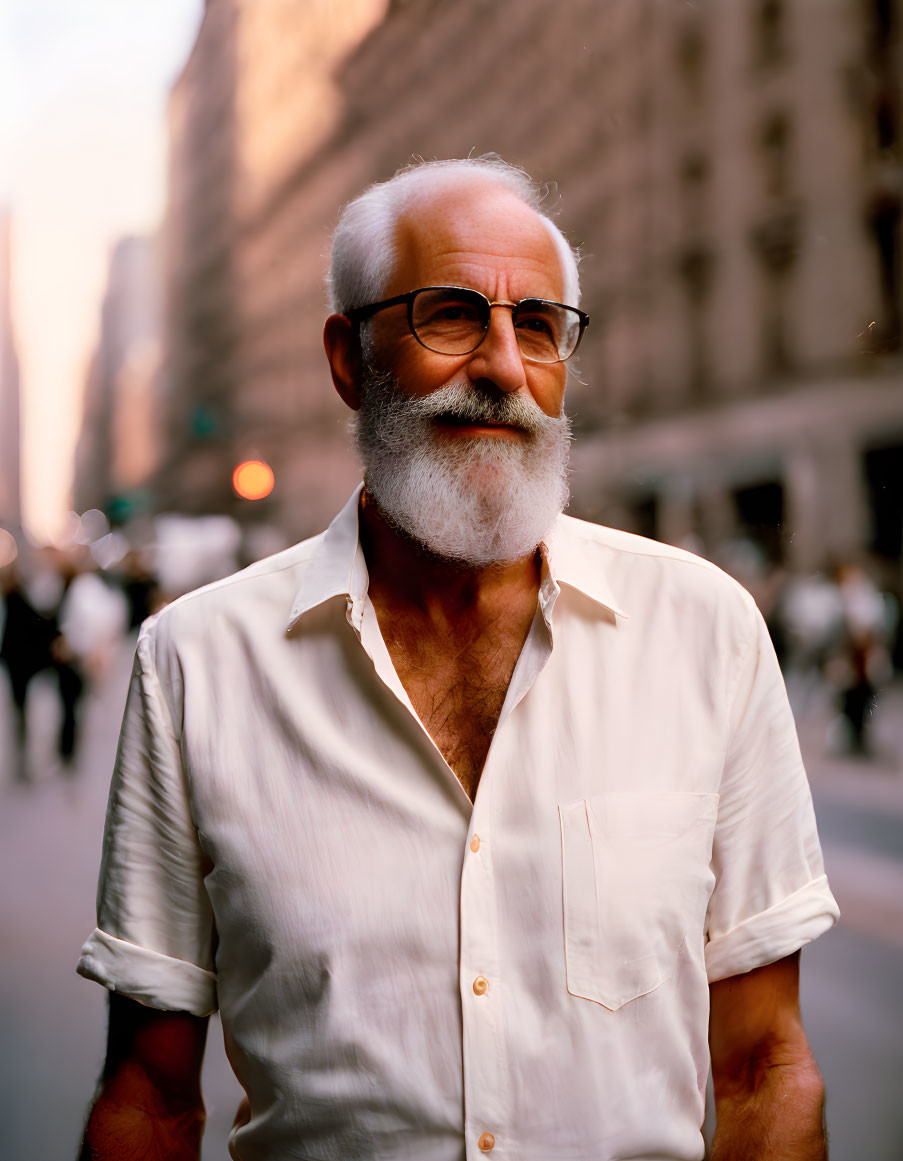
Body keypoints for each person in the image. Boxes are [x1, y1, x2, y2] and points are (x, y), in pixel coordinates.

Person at [77, 156, 839, 1161]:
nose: (504, 367)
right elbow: (150, 1093)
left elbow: (764, 1068)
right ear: (349, 357)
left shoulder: (707, 631)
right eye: (450, 315)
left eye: (539, 326)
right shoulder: (197, 661)